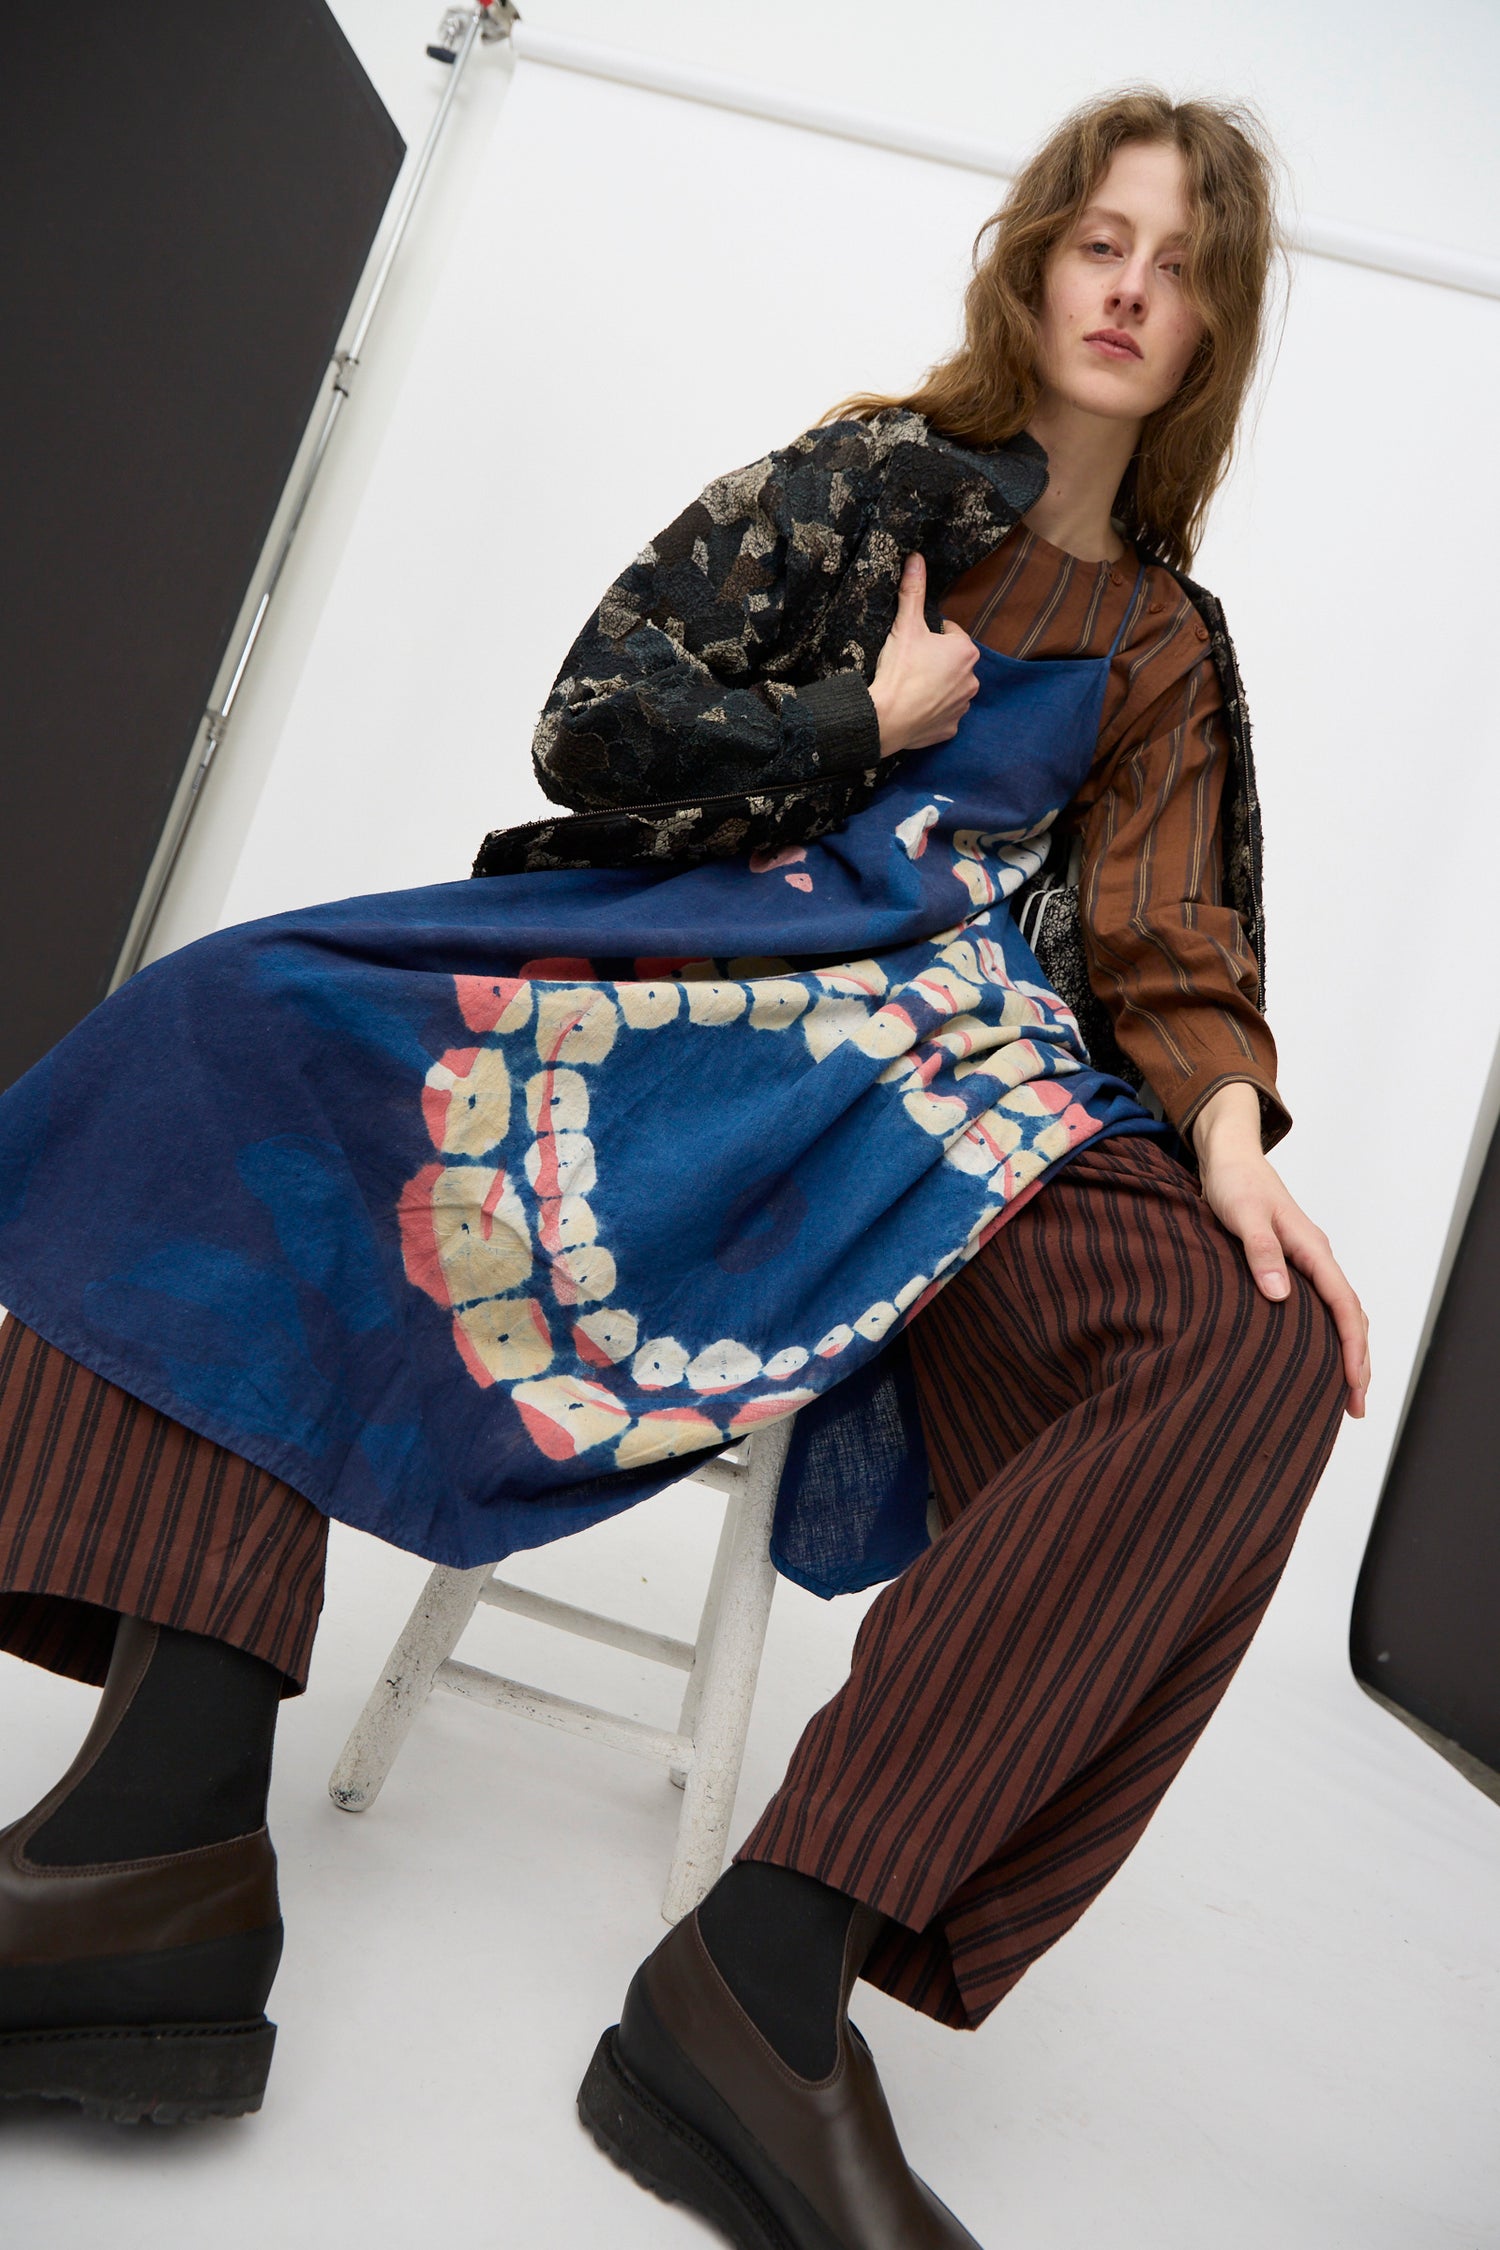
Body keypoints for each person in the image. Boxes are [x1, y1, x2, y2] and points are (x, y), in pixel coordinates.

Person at [0, 86, 1366, 2248]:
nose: (1131, 288)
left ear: (1216, 328)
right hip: (691, 994)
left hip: (958, 1087)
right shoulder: (863, 480)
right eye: (1103, 240)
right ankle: (150, 1842)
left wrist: (1227, 1137)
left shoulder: (1171, 648)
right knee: (217, 1028)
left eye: (1181, 266)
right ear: (1038, 262)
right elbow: (598, 717)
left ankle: (763, 1984)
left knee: (1258, 1341)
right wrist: (866, 727)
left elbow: (1170, 939)